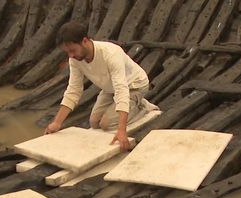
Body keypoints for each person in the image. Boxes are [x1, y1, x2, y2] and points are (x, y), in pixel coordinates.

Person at [44, 21, 158, 150]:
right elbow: (74, 90)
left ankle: (143, 106)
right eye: (67, 52)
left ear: (85, 41)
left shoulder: (110, 53)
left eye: (72, 50)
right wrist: (57, 123)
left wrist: (122, 130)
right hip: (110, 88)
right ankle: (129, 107)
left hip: (133, 85)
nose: (71, 55)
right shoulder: (75, 60)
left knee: (106, 124)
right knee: (94, 122)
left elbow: (121, 89)